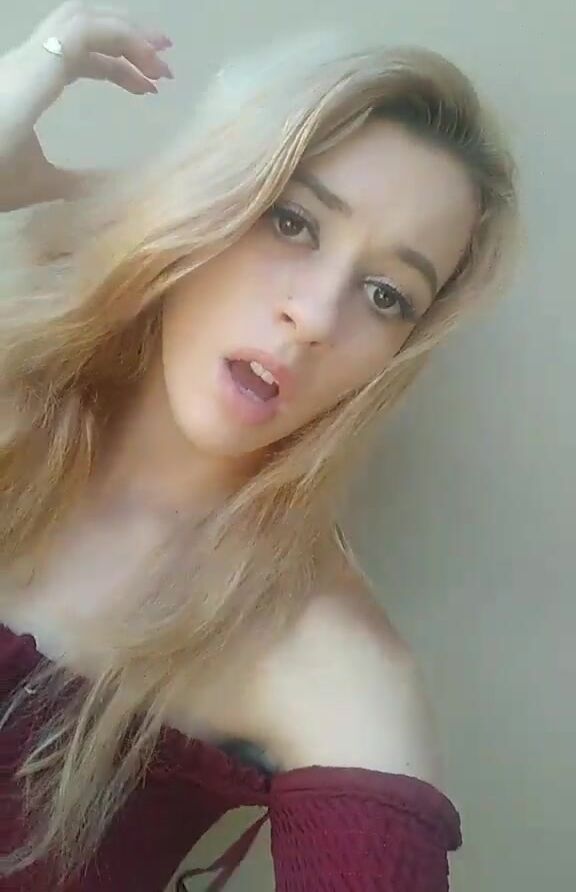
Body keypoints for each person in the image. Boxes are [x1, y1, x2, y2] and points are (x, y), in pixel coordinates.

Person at [0, 3, 518, 890]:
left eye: (387, 295)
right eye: (291, 221)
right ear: (208, 202)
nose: (313, 318)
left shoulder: (325, 666)